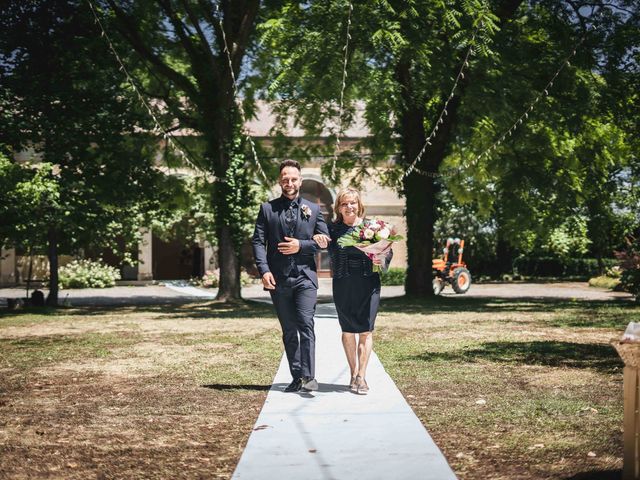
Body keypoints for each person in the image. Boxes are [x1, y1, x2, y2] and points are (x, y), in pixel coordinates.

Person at [252, 160, 331, 393]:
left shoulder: (313, 209)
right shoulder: (267, 209)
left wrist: (302, 245)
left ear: (300, 181)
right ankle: (296, 376)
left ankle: (309, 376)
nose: (289, 182)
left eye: (293, 179)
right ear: (280, 181)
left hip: (305, 277)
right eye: (285, 179)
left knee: (306, 323)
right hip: (278, 278)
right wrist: (264, 270)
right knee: (288, 329)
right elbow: (258, 241)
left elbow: (324, 240)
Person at [314, 188, 392, 395]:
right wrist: (317, 241)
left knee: (366, 330)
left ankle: (362, 377)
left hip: (369, 284)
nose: (349, 207)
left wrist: (380, 255)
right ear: (338, 207)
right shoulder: (332, 230)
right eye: (344, 203)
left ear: (359, 205)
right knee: (348, 331)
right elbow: (318, 244)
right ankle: (353, 373)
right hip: (343, 284)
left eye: (352, 203)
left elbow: (387, 252)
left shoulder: (372, 228)